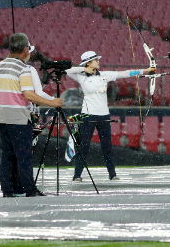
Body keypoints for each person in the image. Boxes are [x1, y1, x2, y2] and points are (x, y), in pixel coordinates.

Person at [66, 51, 153, 182]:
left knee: (107, 147)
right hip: (87, 116)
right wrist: (84, 68)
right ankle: (77, 175)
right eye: (96, 60)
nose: (99, 62)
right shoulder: (81, 76)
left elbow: (126, 73)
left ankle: (112, 174)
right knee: (84, 147)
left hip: (104, 116)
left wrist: (145, 71)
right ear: (88, 62)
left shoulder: (105, 75)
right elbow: (66, 70)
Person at [0, 34, 62, 197]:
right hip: (18, 118)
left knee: (6, 156)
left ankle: (8, 190)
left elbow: (10, 93)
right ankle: (29, 190)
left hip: (2, 116)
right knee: (24, 156)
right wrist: (53, 103)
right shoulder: (23, 69)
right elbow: (29, 95)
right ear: (25, 50)